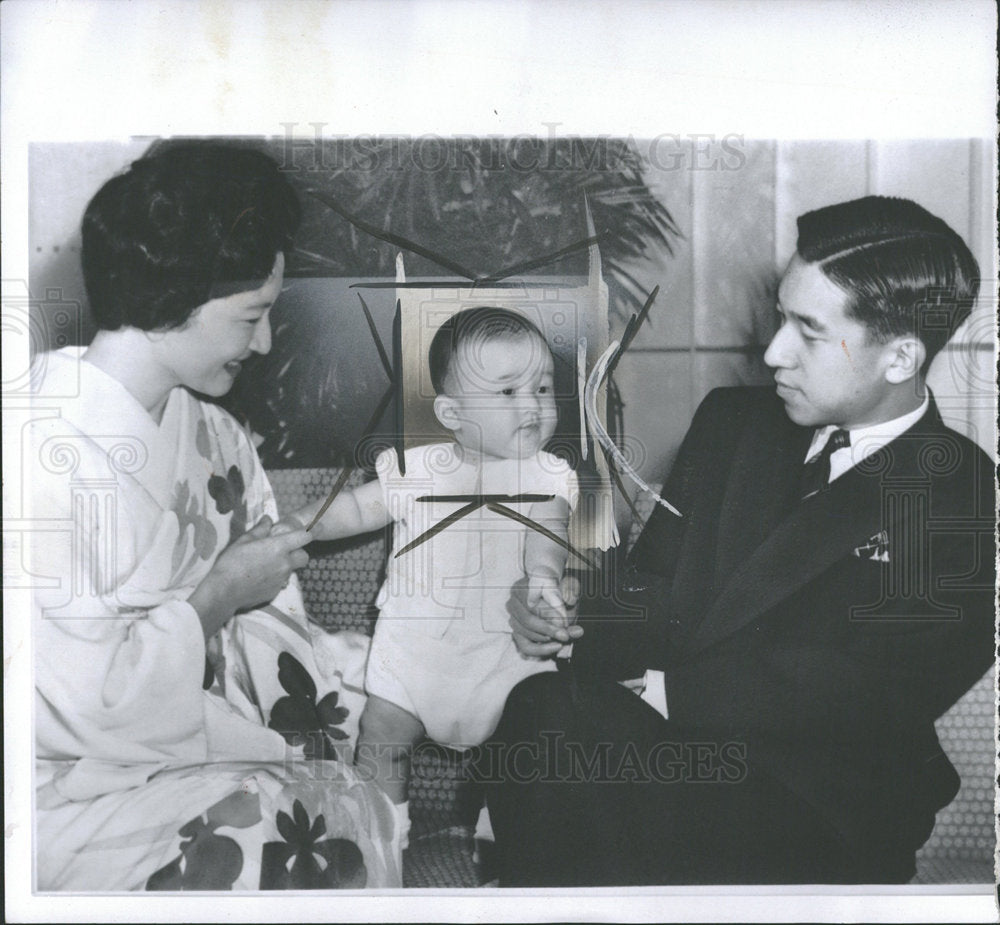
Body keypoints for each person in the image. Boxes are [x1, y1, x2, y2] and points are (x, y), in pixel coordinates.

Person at [480, 195, 996, 885]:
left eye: (809, 331)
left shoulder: (961, 487)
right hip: (678, 760)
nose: (774, 351)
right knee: (541, 713)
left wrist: (667, 691)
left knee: (580, 761)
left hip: (816, 802)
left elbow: (879, 689)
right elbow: (658, 591)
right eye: (783, 316)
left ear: (900, 357)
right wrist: (574, 609)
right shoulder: (733, 423)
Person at [28, 142, 401, 891]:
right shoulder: (33, 439)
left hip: (188, 753)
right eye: (252, 316)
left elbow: (274, 647)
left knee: (330, 800)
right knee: (270, 832)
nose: (264, 343)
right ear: (180, 295)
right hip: (54, 786)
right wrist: (218, 594)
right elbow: (76, 703)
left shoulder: (218, 439)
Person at [286, 306, 578, 844]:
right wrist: (299, 527)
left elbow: (549, 527)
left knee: (524, 755)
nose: (533, 406)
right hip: (413, 659)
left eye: (542, 388)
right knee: (382, 738)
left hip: (506, 663)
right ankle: (384, 843)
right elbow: (357, 509)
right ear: (451, 412)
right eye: (508, 392)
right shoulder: (418, 469)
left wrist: (543, 574)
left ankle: (507, 849)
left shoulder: (546, 474)